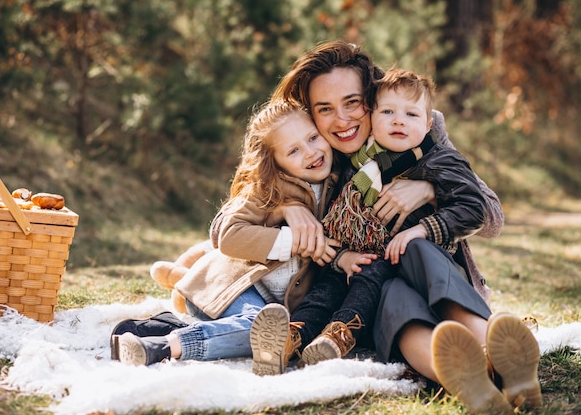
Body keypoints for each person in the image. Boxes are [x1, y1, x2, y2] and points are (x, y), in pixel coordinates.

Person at [227, 41, 540, 414]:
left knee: (414, 256)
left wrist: (427, 189)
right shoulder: (313, 153)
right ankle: (466, 376)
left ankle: (496, 348)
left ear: (372, 99)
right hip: (373, 287)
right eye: (324, 109)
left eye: (353, 103)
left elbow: (490, 215)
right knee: (396, 305)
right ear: (311, 114)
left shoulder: (414, 130)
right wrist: (286, 207)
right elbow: (227, 222)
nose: (341, 120)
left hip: (433, 272)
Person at [110, 100, 347, 367]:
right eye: (293, 150)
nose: (310, 152)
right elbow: (229, 235)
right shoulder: (266, 189)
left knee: (270, 332)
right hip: (230, 288)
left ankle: (162, 327)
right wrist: (292, 241)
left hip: (275, 309)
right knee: (256, 329)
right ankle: (160, 347)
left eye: (313, 137)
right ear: (274, 162)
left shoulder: (339, 183)